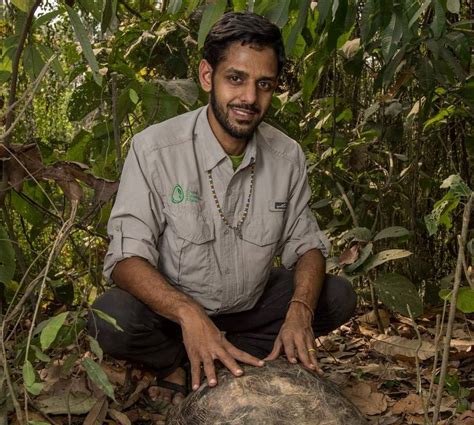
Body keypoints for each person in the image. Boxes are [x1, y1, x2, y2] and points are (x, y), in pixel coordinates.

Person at [88, 11, 356, 404]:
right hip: (175, 317)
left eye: (264, 84)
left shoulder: (286, 156)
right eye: (236, 78)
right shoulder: (155, 150)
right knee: (109, 318)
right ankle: (179, 359)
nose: (249, 98)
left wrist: (299, 310)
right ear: (205, 76)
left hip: (251, 306)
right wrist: (188, 314)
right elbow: (126, 258)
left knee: (335, 297)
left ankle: (237, 351)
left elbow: (306, 245)